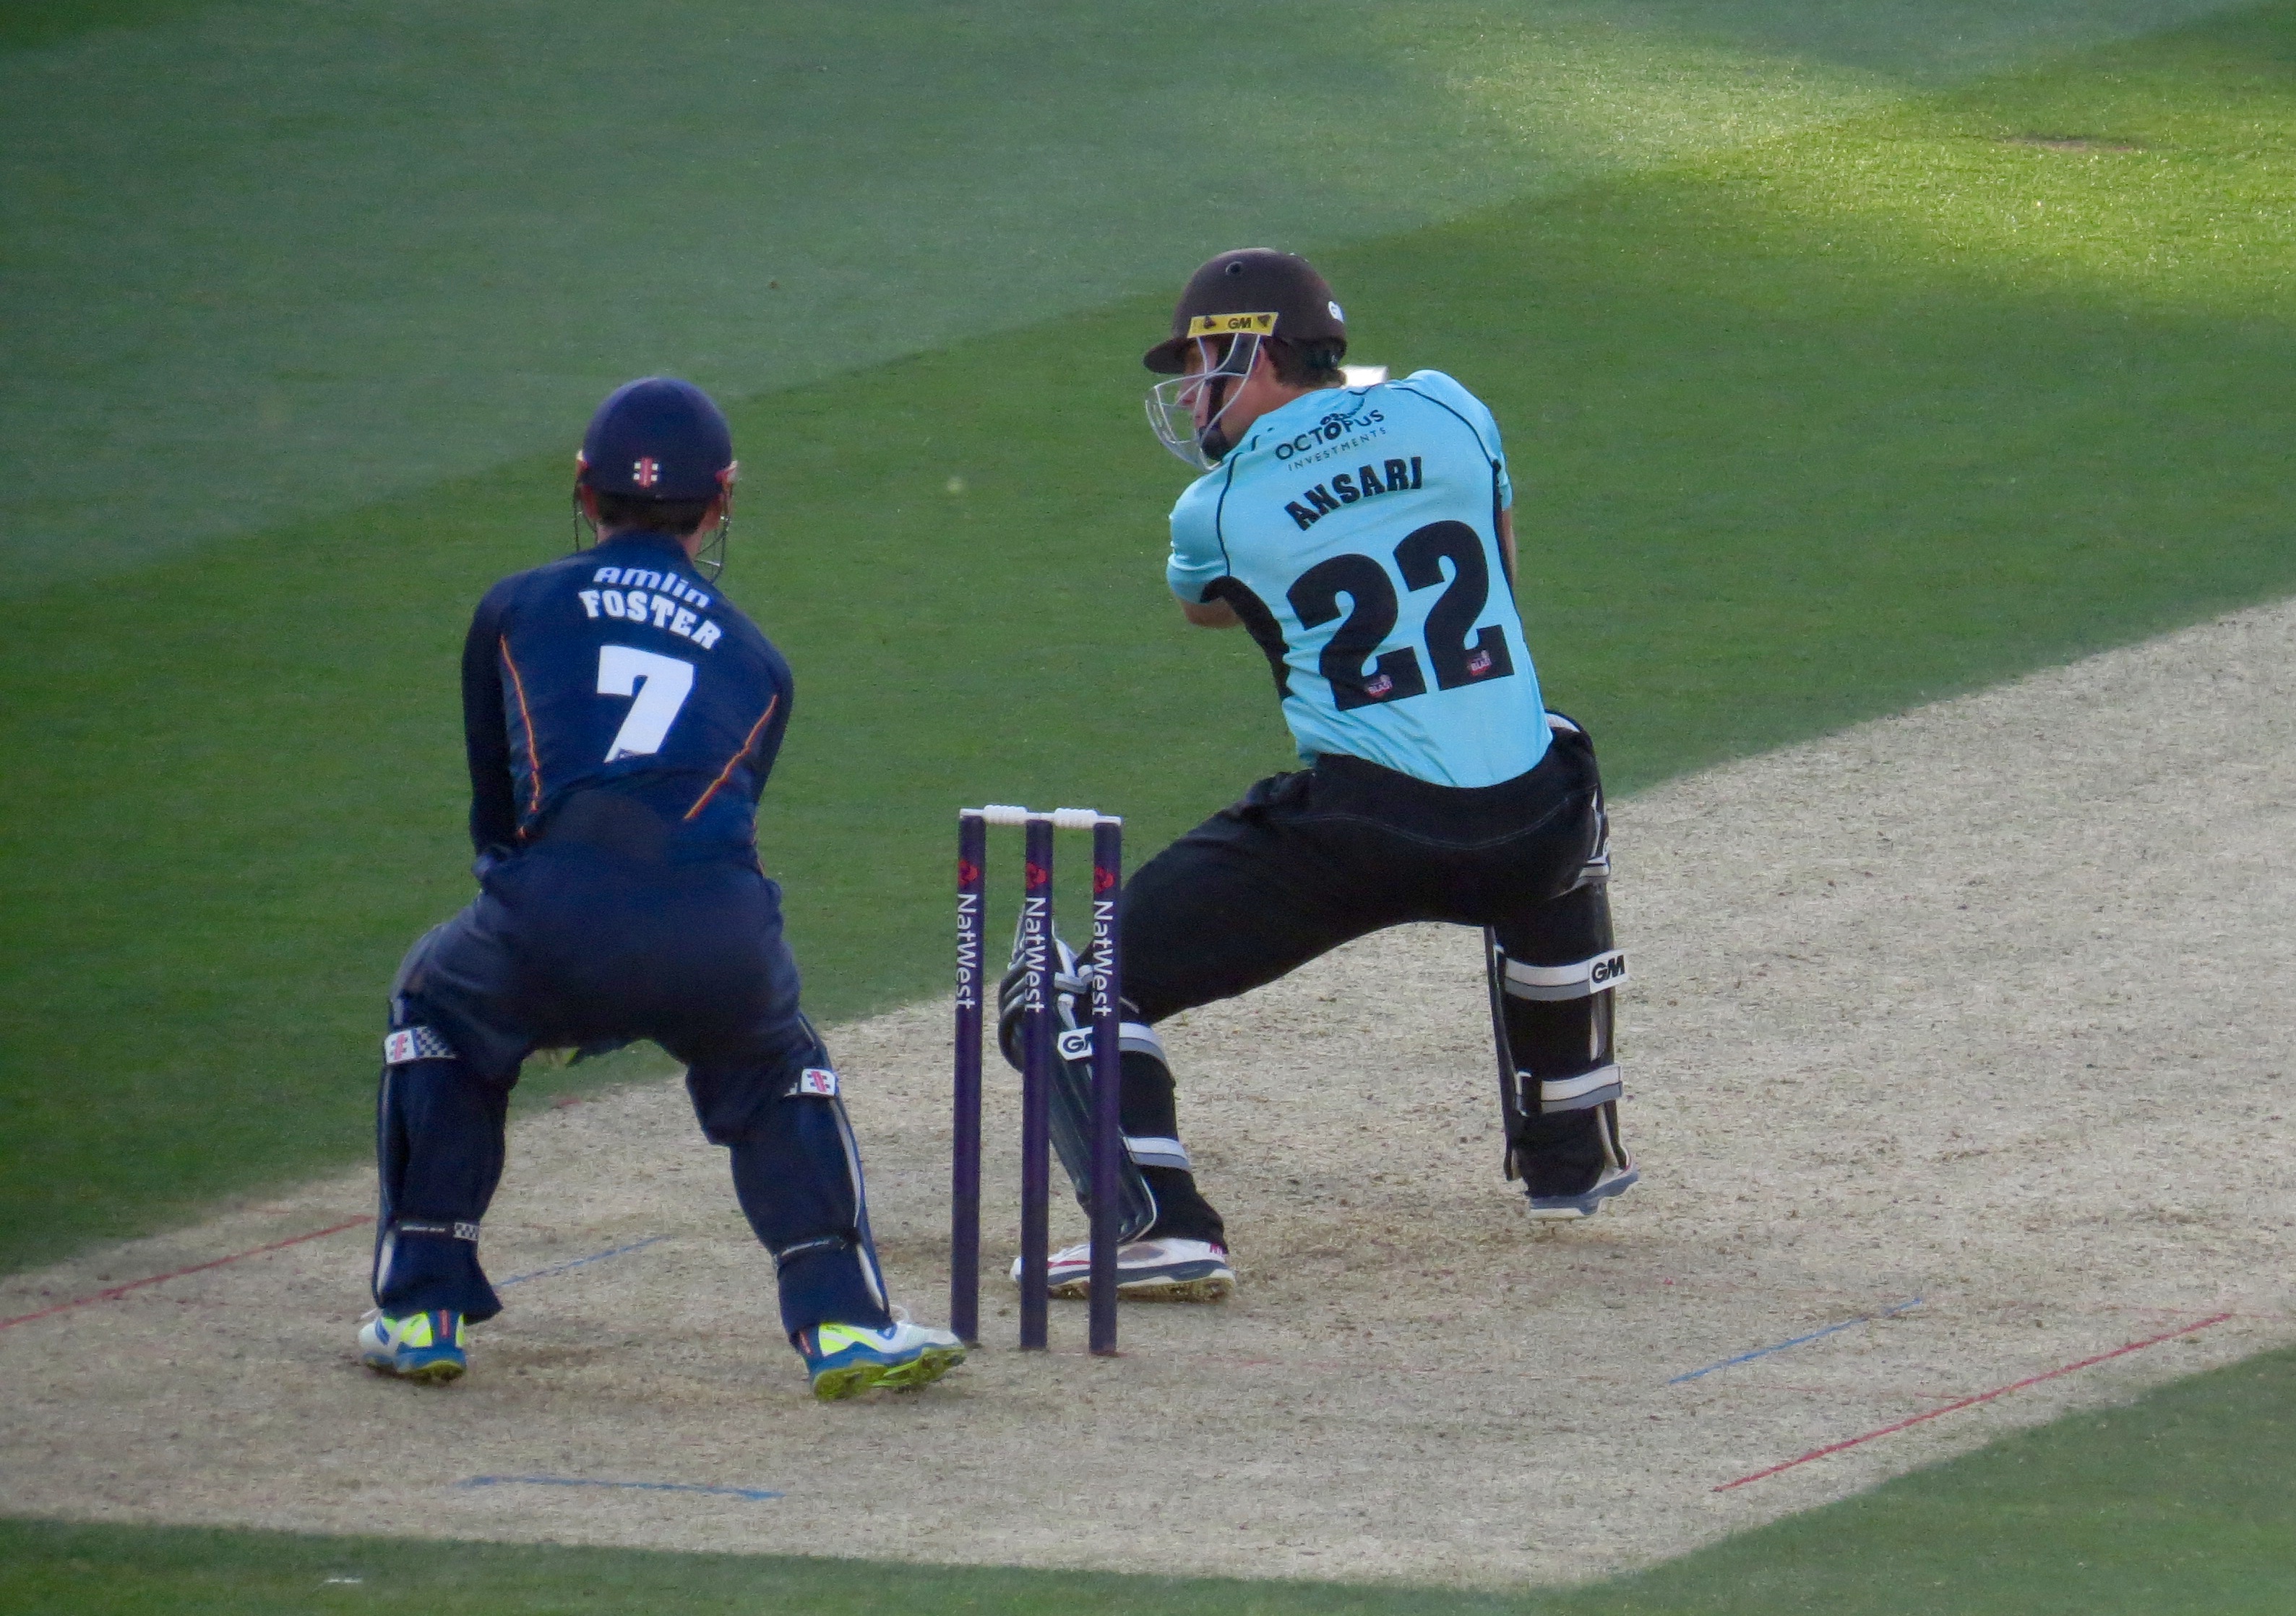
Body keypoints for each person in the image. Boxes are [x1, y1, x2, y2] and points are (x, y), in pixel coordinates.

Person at [1006, 249, 1636, 1302]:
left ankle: (1157, 1224)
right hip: (1532, 827)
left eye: (1201, 365)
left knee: (1064, 986)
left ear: (1252, 351)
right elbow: (1500, 568)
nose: (1192, 394)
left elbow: (1209, 609)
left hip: (1368, 834)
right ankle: (1571, 1146)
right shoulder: (1450, 409)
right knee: (1556, 742)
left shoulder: (1216, 510)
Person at [357, 377, 964, 1399]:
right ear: (721, 500)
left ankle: (421, 1307)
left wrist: (547, 988)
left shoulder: (513, 608)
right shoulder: (761, 661)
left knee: (435, 1000)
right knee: (773, 1058)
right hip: (718, 931)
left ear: (582, 488)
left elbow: (497, 816)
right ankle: (846, 1324)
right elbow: (716, 834)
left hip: (546, 917)